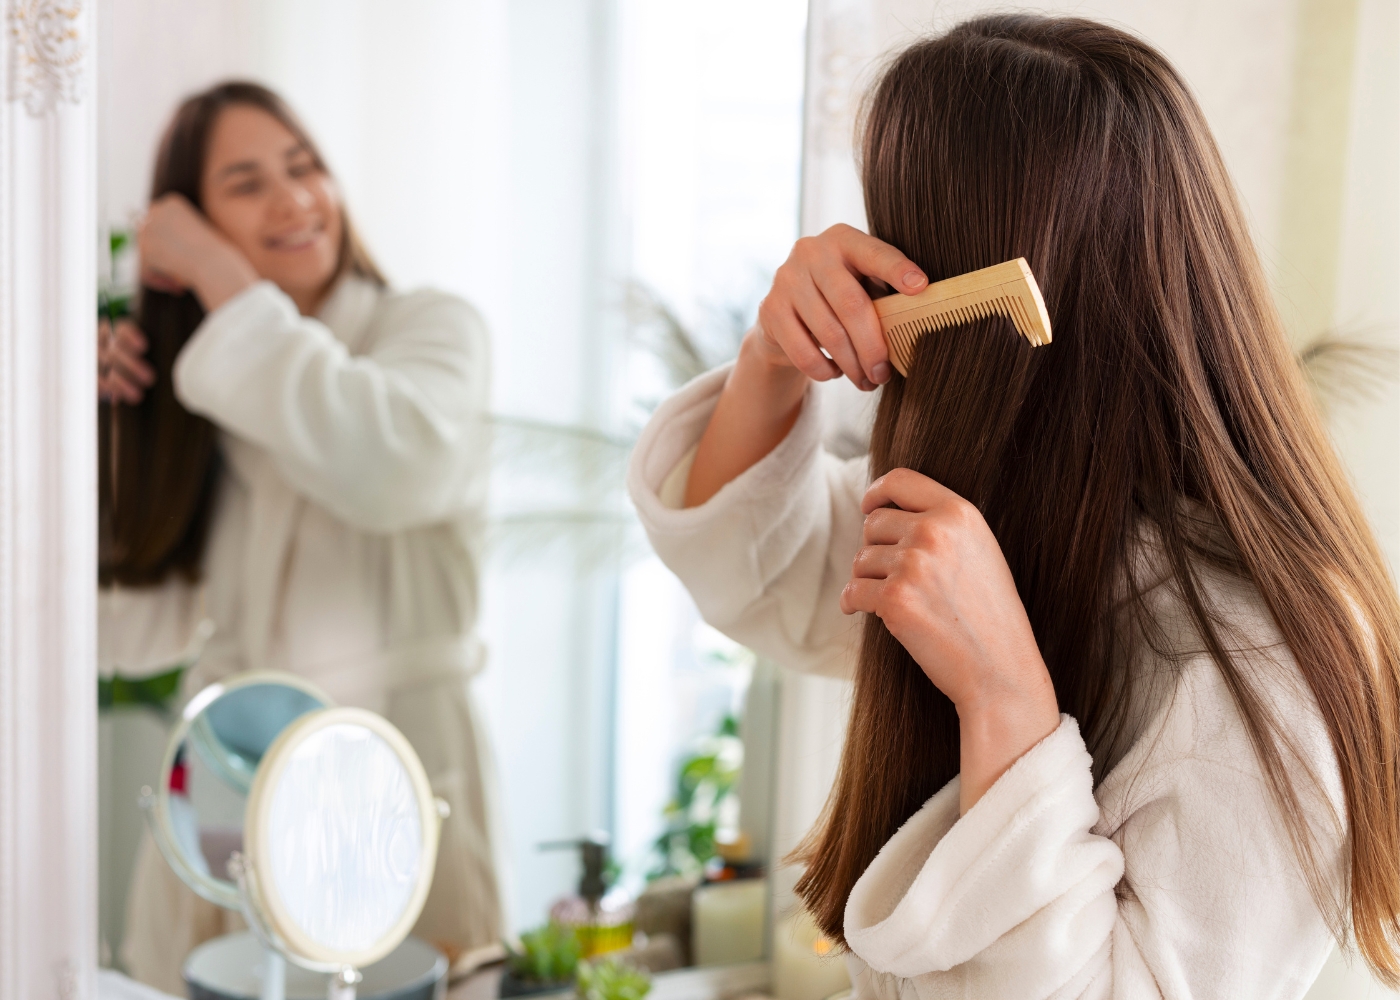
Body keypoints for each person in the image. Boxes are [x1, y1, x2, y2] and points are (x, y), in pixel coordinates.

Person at [627, 15, 1400, 998]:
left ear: (959, 295)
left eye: (896, 232)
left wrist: (1003, 699)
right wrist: (769, 364)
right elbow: (763, 569)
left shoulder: (1262, 659)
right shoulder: (1023, 530)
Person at [100, 82, 504, 991]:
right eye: (245, 183)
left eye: (303, 165)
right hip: (227, 791)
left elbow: (391, 467)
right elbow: (125, 631)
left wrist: (211, 264)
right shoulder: (196, 382)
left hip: (400, 770)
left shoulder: (430, 328)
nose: (293, 198)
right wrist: (90, 424)